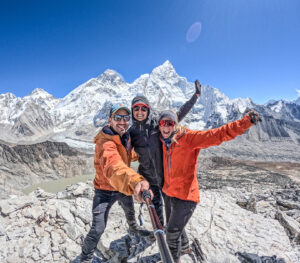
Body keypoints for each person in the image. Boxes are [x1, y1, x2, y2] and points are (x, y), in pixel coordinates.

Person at [157, 109, 260, 263]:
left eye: (170, 123)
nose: (166, 127)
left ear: (175, 125)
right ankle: (185, 247)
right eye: (162, 123)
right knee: (175, 224)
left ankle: (174, 260)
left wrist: (245, 122)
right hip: (169, 193)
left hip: (186, 196)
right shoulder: (163, 140)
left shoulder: (188, 138)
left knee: (171, 234)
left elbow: (217, 135)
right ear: (159, 125)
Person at [78, 103, 151, 263]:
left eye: (126, 118)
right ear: (110, 119)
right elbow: (113, 165)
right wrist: (136, 180)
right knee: (98, 227)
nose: (123, 122)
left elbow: (124, 154)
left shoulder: (124, 137)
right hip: (104, 190)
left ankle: (134, 229)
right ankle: (85, 257)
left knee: (130, 212)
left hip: (121, 187)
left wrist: (138, 155)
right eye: (118, 118)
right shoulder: (105, 142)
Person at [129, 80, 201, 229]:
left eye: (143, 108)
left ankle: (175, 237)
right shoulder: (131, 132)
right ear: (132, 111)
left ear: (148, 110)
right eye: (136, 109)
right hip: (148, 176)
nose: (140, 112)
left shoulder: (158, 123)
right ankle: (160, 231)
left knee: (170, 208)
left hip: (165, 175)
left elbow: (179, 115)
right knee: (155, 206)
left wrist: (195, 96)